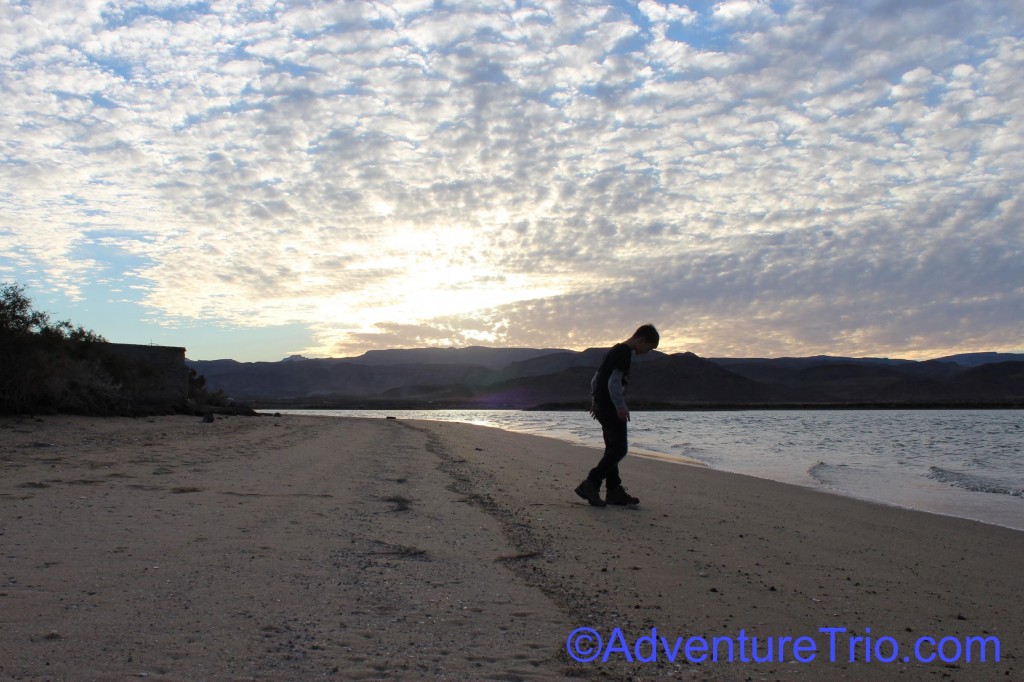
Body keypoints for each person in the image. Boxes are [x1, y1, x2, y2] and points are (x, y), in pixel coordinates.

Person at [575, 324, 660, 507]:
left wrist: (594, 401)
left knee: (612, 449)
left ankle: (614, 491)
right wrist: (620, 406)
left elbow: (596, 379)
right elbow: (614, 381)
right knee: (619, 449)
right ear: (641, 339)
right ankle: (591, 483)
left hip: (601, 406)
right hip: (610, 407)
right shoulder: (624, 352)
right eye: (649, 348)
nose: (646, 352)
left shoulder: (614, 350)